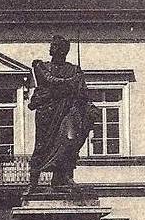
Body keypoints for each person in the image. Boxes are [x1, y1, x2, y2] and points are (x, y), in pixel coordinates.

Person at [27, 34, 100, 193]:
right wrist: (72, 80)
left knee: (70, 140)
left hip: (67, 110)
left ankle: (64, 178)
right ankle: (33, 184)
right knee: (41, 145)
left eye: (54, 46)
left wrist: (91, 107)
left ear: (61, 50)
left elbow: (83, 93)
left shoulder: (74, 70)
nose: (50, 48)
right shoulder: (42, 67)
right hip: (47, 112)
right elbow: (49, 81)